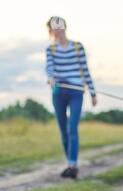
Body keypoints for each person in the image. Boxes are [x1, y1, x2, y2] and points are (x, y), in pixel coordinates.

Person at [45, 16, 97, 179]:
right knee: (63, 130)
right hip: (59, 92)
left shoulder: (77, 47)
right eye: (55, 27)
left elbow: (85, 69)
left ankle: (72, 165)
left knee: (72, 127)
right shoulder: (51, 50)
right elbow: (50, 69)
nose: (58, 29)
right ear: (51, 30)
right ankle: (70, 163)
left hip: (76, 91)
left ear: (65, 26)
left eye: (60, 25)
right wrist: (51, 78)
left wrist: (93, 92)